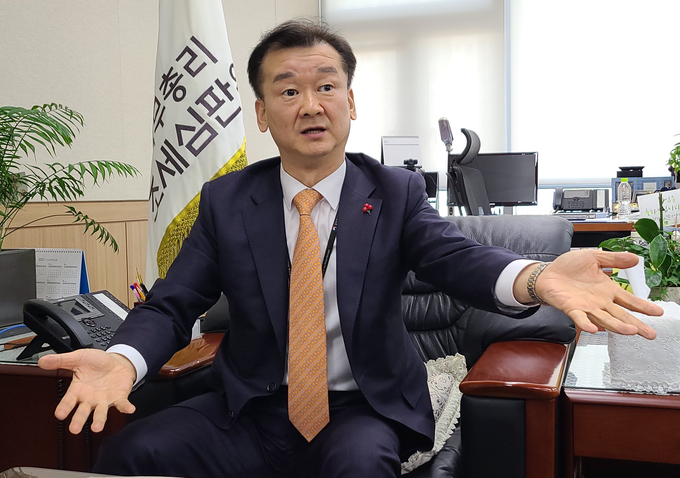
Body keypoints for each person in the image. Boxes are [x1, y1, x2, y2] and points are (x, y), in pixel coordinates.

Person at [38, 19, 661, 478]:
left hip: (363, 408)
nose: (310, 105)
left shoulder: (394, 191)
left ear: (351, 102)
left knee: (358, 467)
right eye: (287, 91)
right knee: (131, 452)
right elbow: (172, 303)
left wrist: (537, 277)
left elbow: (457, 259)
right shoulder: (227, 200)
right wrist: (122, 360)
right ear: (261, 112)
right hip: (251, 410)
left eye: (327, 87)